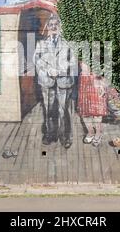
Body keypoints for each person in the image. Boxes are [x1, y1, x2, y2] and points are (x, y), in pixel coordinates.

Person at [33, 14, 77, 148]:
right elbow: (36, 60)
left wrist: (60, 71)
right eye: (51, 25)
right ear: (47, 27)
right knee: (48, 109)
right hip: (47, 81)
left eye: (56, 25)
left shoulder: (68, 43)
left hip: (64, 81)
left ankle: (65, 136)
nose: (53, 27)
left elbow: (73, 62)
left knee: (64, 110)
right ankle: (50, 134)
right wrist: (48, 70)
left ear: (60, 27)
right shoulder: (41, 43)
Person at [78, 62, 108, 147]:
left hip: (97, 83)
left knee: (97, 112)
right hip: (84, 83)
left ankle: (98, 134)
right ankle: (90, 132)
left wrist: (102, 84)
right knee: (85, 113)